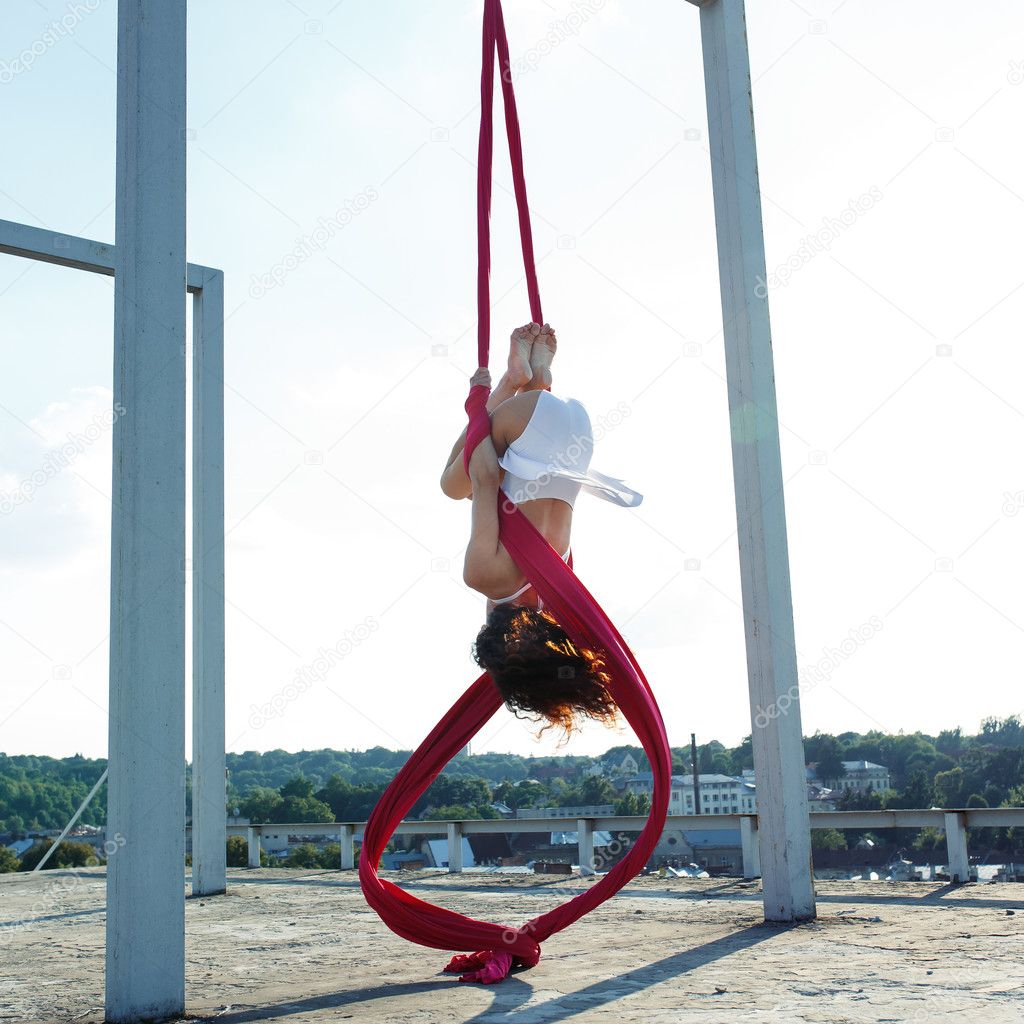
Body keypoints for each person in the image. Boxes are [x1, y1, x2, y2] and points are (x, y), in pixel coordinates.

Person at [440, 322, 641, 737]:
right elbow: (484, 477)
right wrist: (480, 403)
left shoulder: (560, 590)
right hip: (527, 421)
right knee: (451, 485)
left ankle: (541, 381)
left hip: (577, 430)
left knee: (505, 477)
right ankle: (519, 379)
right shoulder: (486, 580)